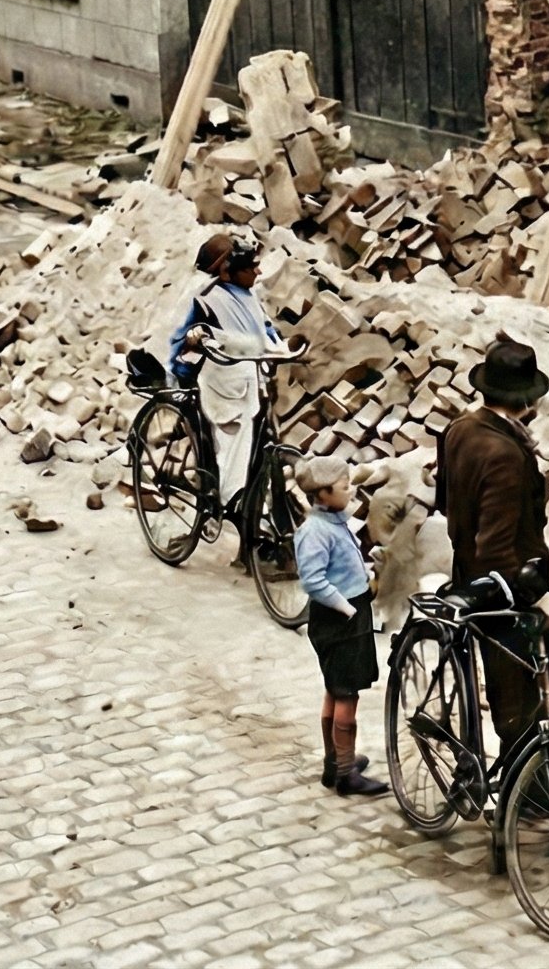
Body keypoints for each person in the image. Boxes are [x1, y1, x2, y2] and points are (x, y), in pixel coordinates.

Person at [435, 334, 549, 751]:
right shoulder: (504, 453)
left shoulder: (459, 429)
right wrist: (541, 599)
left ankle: (528, 794)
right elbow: (497, 549)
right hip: (506, 590)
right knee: (543, 698)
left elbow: (446, 501)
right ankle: (531, 802)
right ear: (525, 401)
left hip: (470, 575)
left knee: (513, 693)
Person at [164, 231, 286, 556]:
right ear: (226, 272)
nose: (257, 273)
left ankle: (254, 536)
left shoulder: (247, 295)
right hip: (222, 388)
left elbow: (266, 329)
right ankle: (224, 507)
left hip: (251, 381)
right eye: (250, 267)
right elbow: (181, 342)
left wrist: (282, 347)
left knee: (261, 449)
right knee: (235, 452)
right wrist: (187, 362)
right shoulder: (206, 300)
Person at [295, 457, 389, 798]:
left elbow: (340, 564)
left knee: (336, 689)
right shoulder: (314, 532)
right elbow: (314, 581)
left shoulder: (333, 522)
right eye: (344, 486)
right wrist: (348, 608)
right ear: (322, 493)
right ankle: (346, 773)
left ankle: (334, 761)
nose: (350, 491)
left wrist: (366, 570)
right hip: (340, 619)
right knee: (346, 692)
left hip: (348, 614)